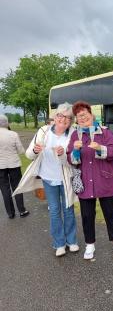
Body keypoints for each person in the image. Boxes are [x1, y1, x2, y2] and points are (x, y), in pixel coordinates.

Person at [15, 103, 78, 257]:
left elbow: (75, 160)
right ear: (55, 117)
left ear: (71, 121)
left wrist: (63, 154)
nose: (63, 119)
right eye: (60, 115)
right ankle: (59, 244)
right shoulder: (43, 131)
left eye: (68, 117)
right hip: (48, 178)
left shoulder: (73, 134)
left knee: (68, 209)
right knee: (55, 211)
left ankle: (72, 241)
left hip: (66, 178)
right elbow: (29, 155)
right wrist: (35, 150)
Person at [67, 101, 113, 260]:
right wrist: (76, 150)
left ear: (92, 115)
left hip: (105, 180)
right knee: (87, 215)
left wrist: (100, 148)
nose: (82, 117)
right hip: (86, 182)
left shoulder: (105, 133)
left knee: (110, 213)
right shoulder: (75, 135)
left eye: (84, 114)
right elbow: (71, 159)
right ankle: (90, 244)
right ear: (77, 120)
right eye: (79, 116)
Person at [0, 114, 29, 219]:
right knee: (17, 186)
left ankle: (10, 213)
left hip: (0, 166)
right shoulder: (13, 134)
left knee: (4, 189)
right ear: (7, 123)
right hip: (14, 164)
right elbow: (21, 150)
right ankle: (22, 210)